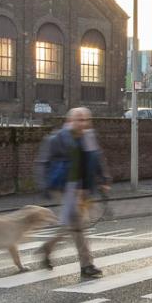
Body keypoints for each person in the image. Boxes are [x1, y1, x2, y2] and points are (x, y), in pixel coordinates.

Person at [36, 107, 110, 278]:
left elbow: (97, 159)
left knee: (72, 225)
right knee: (78, 226)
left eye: (86, 120)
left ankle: (46, 248)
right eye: (79, 119)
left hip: (82, 188)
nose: (83, 123)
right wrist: (43, 186)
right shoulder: (57, 139)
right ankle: (87, 265)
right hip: (64, 187)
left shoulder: (89, 138)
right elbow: (43, 162)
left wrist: (104, 179)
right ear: (70, 121)